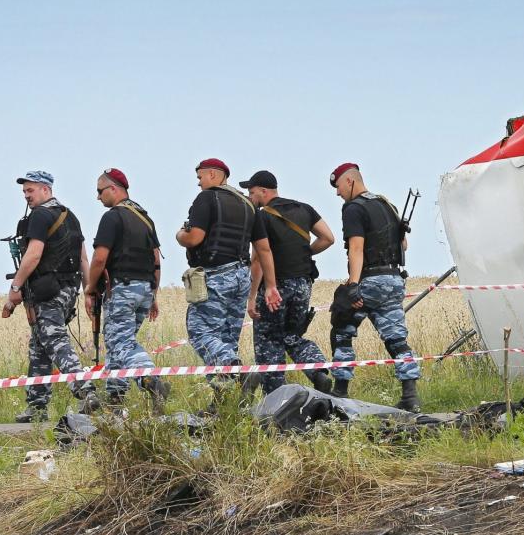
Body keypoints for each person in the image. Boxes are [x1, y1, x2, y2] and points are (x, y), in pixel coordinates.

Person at [175, 158, 281, 399]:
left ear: (213, 174)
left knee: (199, 331)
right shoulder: (248, 205)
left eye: (200, 177)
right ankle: (227, 400)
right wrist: (271, 285)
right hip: (242, 276)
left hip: (215, 276)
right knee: (226, 337)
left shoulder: (207, 198)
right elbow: (264, 250)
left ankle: (236, 369)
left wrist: (180, 234)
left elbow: (194, 238)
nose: (199, 183)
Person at [1, 171, 100, 422]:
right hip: (69, 289)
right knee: (39, 345)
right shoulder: (70, 216)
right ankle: (36, 406)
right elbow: (83, 258)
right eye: (24, 192)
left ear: (46, 189)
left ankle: (85, 390)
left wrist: (15, 289)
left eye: (30, 191)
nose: (26, 196)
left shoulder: (40, 216)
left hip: (48, 291)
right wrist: (89, 291)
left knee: (54, 339)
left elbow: (33, 255)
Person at [327, 163, 421, 411]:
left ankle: (340, 392)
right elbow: (404, 246)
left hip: (370, 280)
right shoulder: (386, 205)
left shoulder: (353, 208)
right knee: (397, 339)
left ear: (349, 182)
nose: (337, 193)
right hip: (394, 280)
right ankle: (410, 397)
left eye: (338, 187)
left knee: (341, 329)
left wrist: (353, 287)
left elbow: (356, 248)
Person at [240, 170, 336, 395]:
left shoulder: (261, 216)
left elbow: (257, 259)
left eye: (252, 193)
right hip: (303, 284)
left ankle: (276, 398)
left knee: (268, 341)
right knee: (293, 336)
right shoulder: (305, 208)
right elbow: (328, 238)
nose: (251, 198)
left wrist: (252, 296)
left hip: (277, 287)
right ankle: (318, 373)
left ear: (264, 192)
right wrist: (305, 253)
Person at [84, 168, 170, 409]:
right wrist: (153, 295)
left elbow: (100, 258)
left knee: (121, 343)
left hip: (121, 289)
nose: (98, 197)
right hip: (144, 289)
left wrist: (90, 288)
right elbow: (156, 260)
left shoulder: (113, 217)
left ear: (113, 189)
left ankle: (151, 379)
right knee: (117, 342)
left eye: (100, 191)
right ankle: (115, 397)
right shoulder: (144, 217)